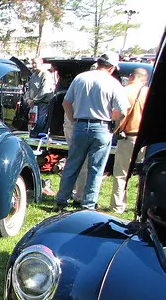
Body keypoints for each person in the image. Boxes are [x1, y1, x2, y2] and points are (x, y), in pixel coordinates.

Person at [53, 51, 129, 212]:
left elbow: (66, 102)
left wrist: (74, 120)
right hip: (102, 127)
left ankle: (61, 200)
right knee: (96, 169)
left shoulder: (81, 78)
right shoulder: (113, 83)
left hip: (80, 126)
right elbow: (123, 111)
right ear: (111, 68)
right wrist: (114, 128)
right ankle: (88, 204)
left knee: (72, 165)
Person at [110, 68, 149, 213]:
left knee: (121, 173)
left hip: (128, 135)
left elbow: (118, 114)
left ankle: (118, 205)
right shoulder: (149, 92)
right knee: (144, 173)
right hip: (145, 138)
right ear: (145, 79)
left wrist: (117, 129)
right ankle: (143, 205)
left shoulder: (124, 91)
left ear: (131, 76)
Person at [26, 57, 56, 137]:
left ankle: (38, 137)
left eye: (35, 63)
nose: (33, 65)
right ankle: (32, 135)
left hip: (43, 103)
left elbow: (44, 90)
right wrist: (28, 99)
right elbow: (29, 88)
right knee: (32, 123)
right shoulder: (33, 75)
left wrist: (34, 100)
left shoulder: (46, 75)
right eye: (32, 63)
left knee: (40, 122)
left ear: (41, 64)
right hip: (33, 104)